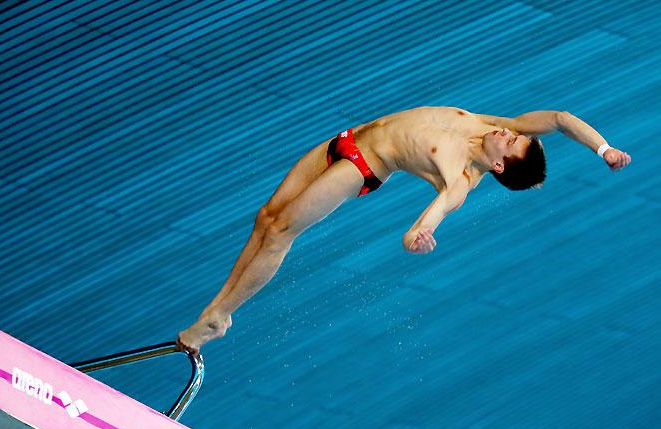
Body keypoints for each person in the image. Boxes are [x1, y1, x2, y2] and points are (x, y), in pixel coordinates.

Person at [176, 106, 631, 354]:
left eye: (512, 143)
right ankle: (214, 312)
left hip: (360, 165)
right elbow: (559, 119)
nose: (510, 132)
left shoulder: (459, 181)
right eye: (516, 135)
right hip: (346, 139)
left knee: (281, 233)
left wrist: (418, 238)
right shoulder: (492, 126)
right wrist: (604, 149)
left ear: (497, 165)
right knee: (265, 218)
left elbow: (424, 223)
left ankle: (221, 318)